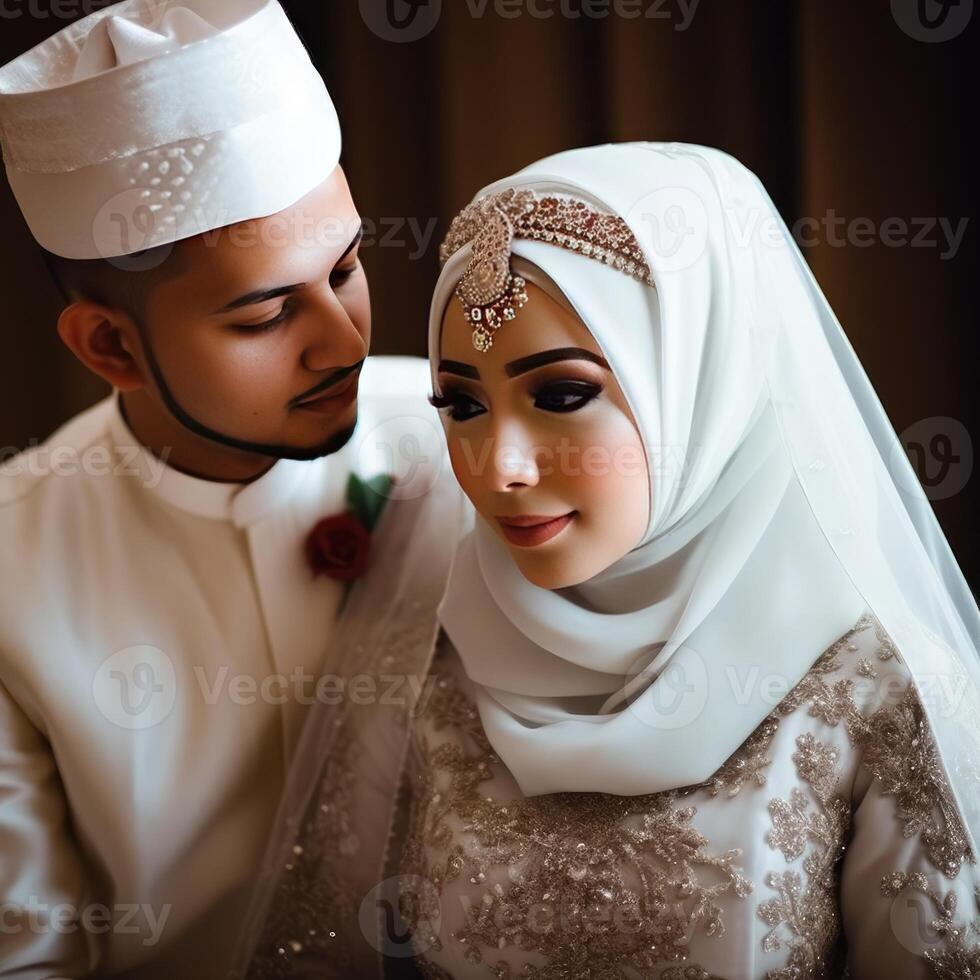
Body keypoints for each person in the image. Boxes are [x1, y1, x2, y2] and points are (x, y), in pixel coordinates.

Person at [237, 143, 980, 978]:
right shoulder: (428, 650)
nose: (500, 466)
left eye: (560, 395)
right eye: (464, 405)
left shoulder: (877, 690)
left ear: (705, 384)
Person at [0, 2, 461, 977]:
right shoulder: (12, 560)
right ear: (110, 345)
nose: (341, 339)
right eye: (263, 316)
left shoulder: (471, 443)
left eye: (344, 268)